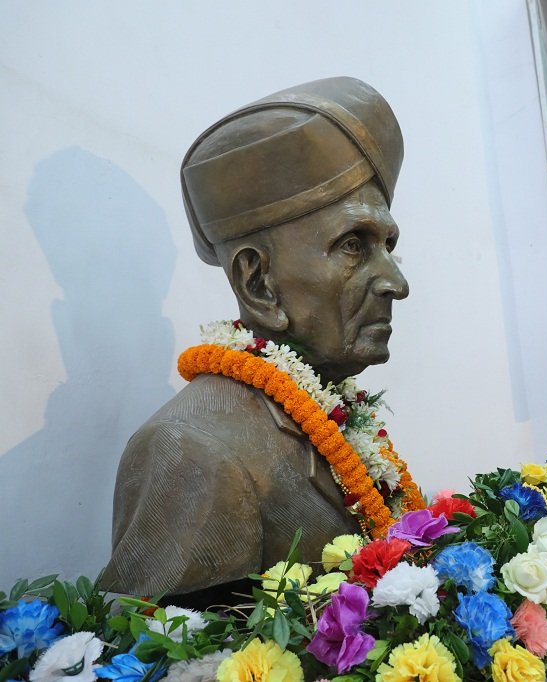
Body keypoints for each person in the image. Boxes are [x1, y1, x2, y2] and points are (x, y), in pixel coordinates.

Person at [101, 77, 417, 603]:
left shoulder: (330, 415)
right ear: (258, 283)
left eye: (388, 246)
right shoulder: (191, 450)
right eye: (352, 246)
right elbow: (170, 643)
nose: (396, 283)